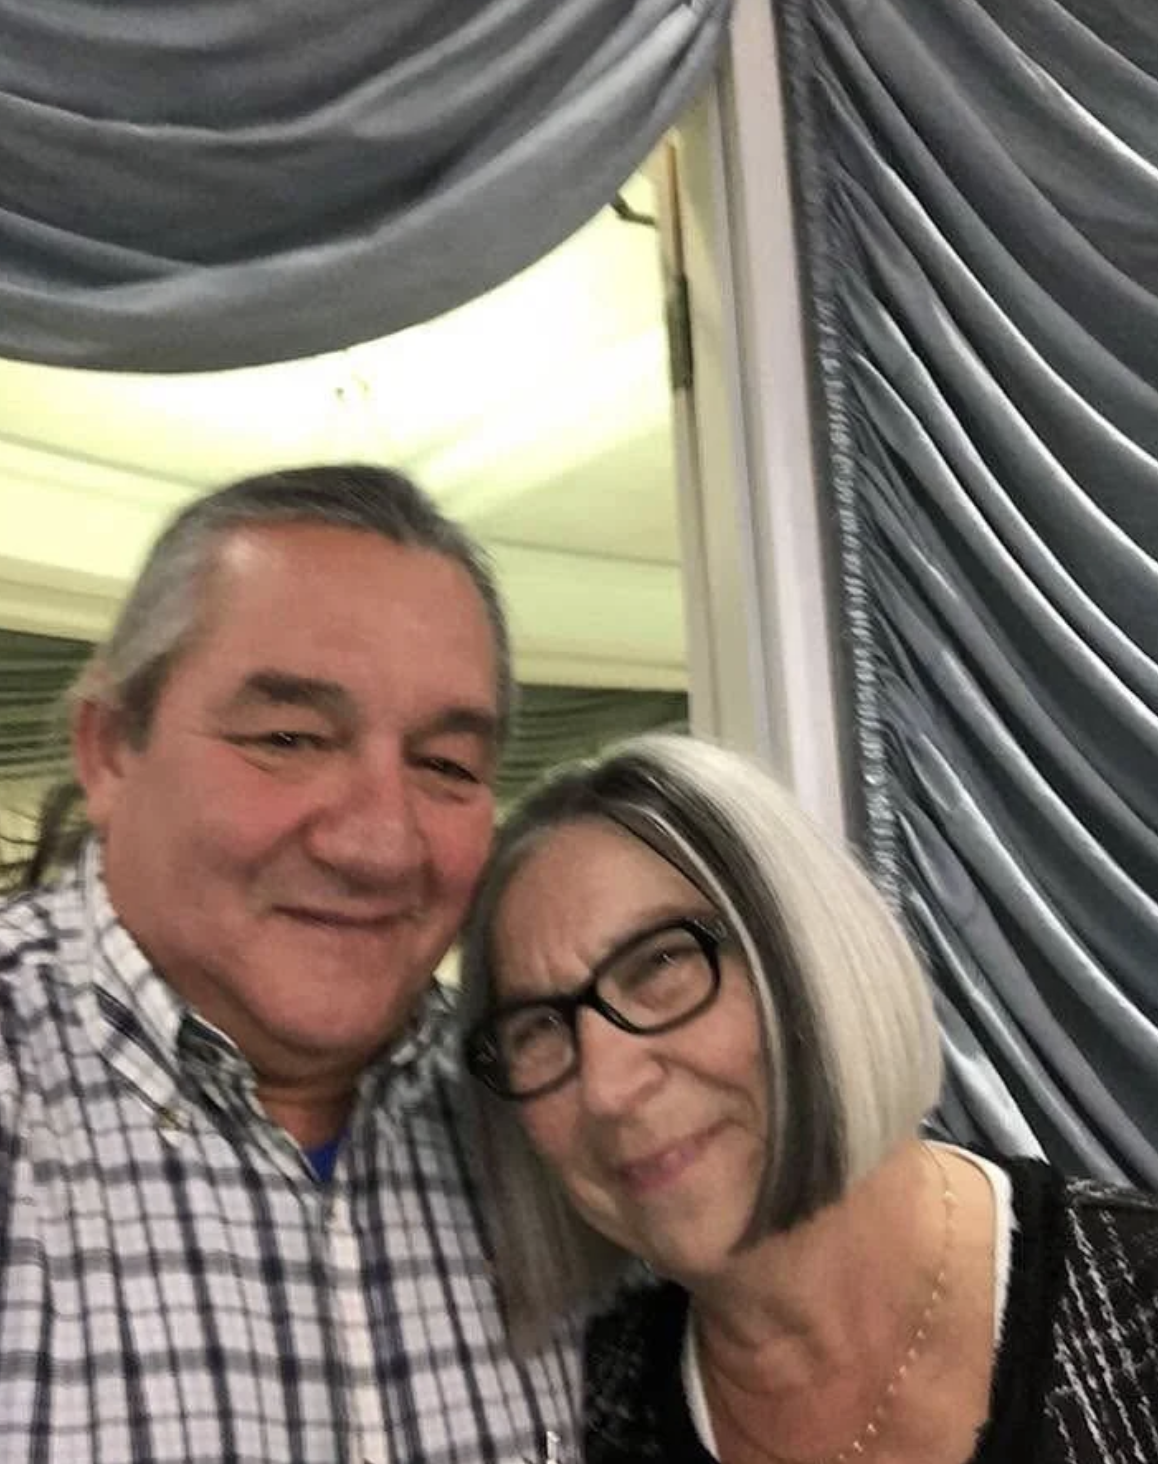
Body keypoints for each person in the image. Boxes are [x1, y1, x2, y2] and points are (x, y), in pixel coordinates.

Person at [0, 465, 580, 1464]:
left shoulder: (548, 1112)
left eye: (446, 766)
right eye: (289, 738)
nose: (380, 845)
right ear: (110, 752)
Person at [459, 733, 1158, 1464]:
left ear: (808, 957)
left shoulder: (1132, 1311)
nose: (606, 1089)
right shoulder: (577, 1415)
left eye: (660, 963)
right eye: (536, 1029)